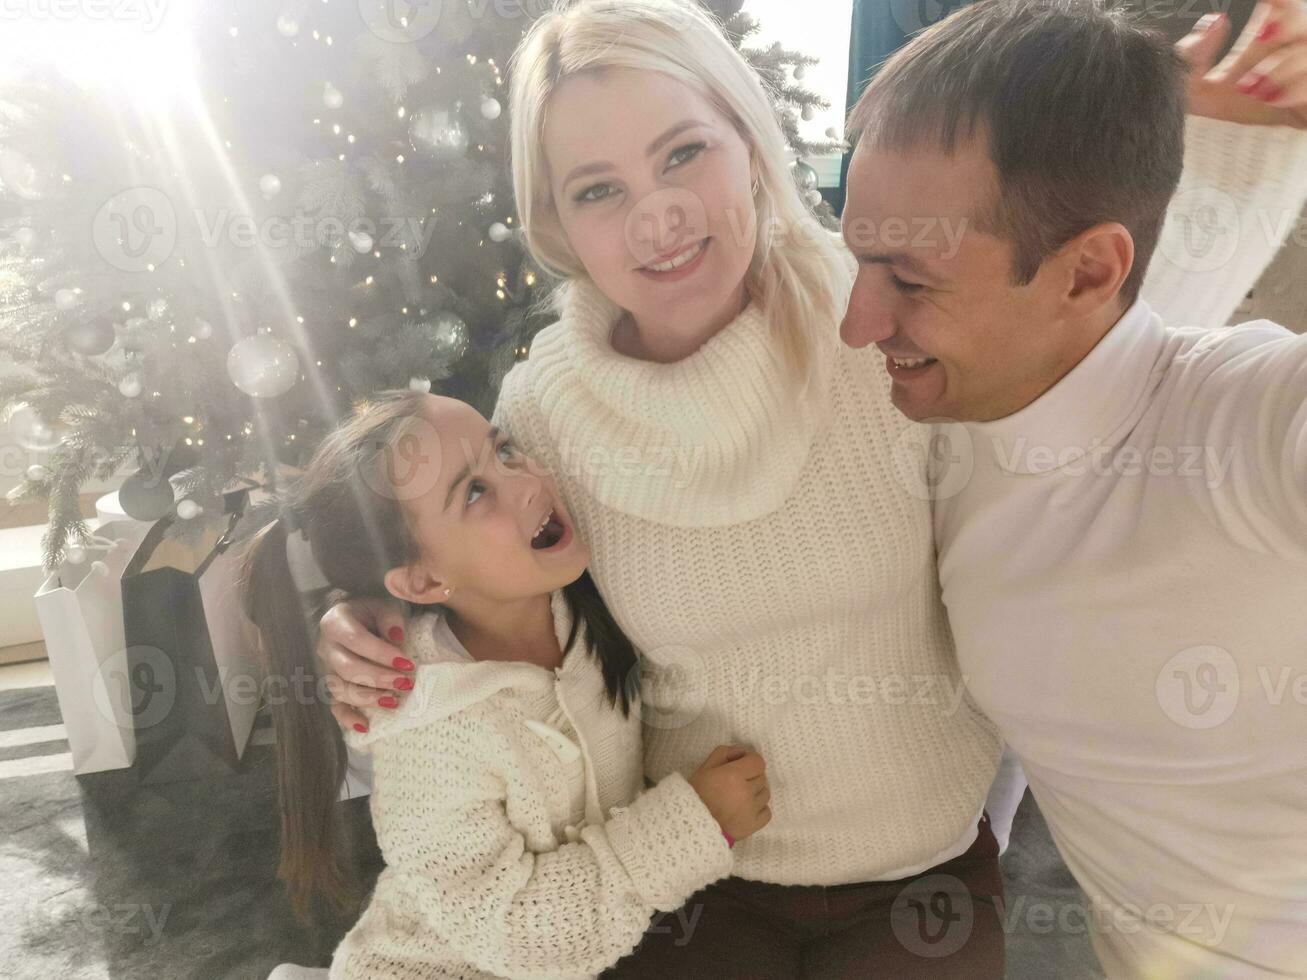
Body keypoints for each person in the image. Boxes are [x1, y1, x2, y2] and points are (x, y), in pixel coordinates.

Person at [312, 0, 1302, 974]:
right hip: (696, 875)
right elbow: (486, 593)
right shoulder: (539, 418)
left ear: (750, 141)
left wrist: (1224, 155)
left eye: (682, 153)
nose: (656, 213)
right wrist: (366, 626)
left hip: (919, 872)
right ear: (556, 221)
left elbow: (1084, 347)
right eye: (596, 190)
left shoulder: (884, 313)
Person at [839, 0, 1307, 976]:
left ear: (1088, 269)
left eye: (908, 280)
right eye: (857, 260)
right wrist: (1219, 141)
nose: (857, 322)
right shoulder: (956, 415)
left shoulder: (1241, 419)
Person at [242, 390, 771, 979]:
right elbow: (518, 931)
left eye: (506, 450)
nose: (527, 481)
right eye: (474, 491)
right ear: (421, 579)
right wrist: (695, 824)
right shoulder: (430, 733)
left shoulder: (573, 599)